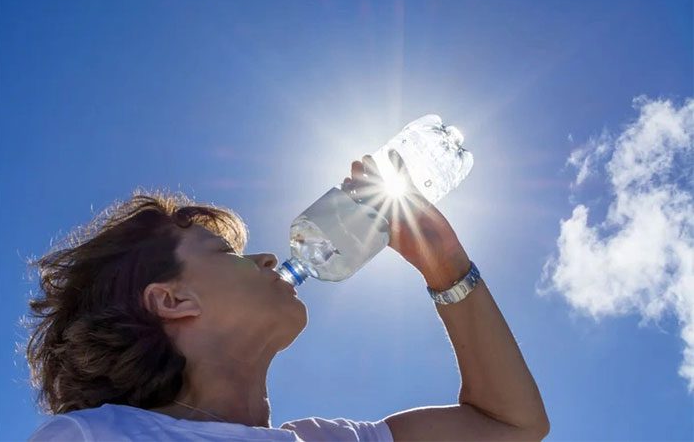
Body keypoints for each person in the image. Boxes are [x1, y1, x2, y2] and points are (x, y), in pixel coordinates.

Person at [27, 152, 550, 441]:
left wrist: (445, 263)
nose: (268, 260)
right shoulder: (95, 437)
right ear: (172, 301)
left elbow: (513, 424)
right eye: (222, 253)